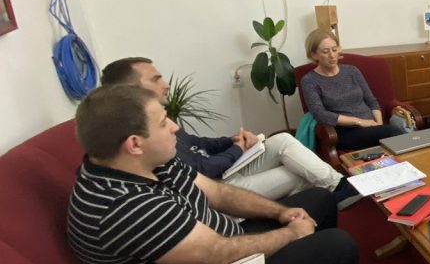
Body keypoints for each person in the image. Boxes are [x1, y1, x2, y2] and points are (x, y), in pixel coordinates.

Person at [66, 84, 389, 264]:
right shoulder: (125, 206)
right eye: (164, 122)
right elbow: (219, 254)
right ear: (134, 143)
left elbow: (217, 193)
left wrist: (280, 211)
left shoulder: (143, 161)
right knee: (336, 245)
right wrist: (293, 234)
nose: (175, 127)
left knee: (318, 199)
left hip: (218, 250)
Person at [100, 57, 360, 209]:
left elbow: (198, 143)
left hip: (222, 172)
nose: (166, 84)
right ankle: (311, 208)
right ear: (130, 89)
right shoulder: (145, 133)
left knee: (282, 140)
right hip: (217, 189)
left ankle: (338, 186)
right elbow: (204, 169)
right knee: (297, 171)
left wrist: (232, 140)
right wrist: (238, 149)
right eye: (156, 79)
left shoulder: (160, 117)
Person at [300, 29, 407, 151]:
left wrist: (378, 124)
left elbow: (372, 101)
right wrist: (359, 122)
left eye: (334, 49)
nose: (332, 55)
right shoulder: (309, 80)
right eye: (325, 51)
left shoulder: (352, 71)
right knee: (393, 132)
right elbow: (320, 114)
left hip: (372, 126)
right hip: (346, 132)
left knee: (394, 133)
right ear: (314, 55)